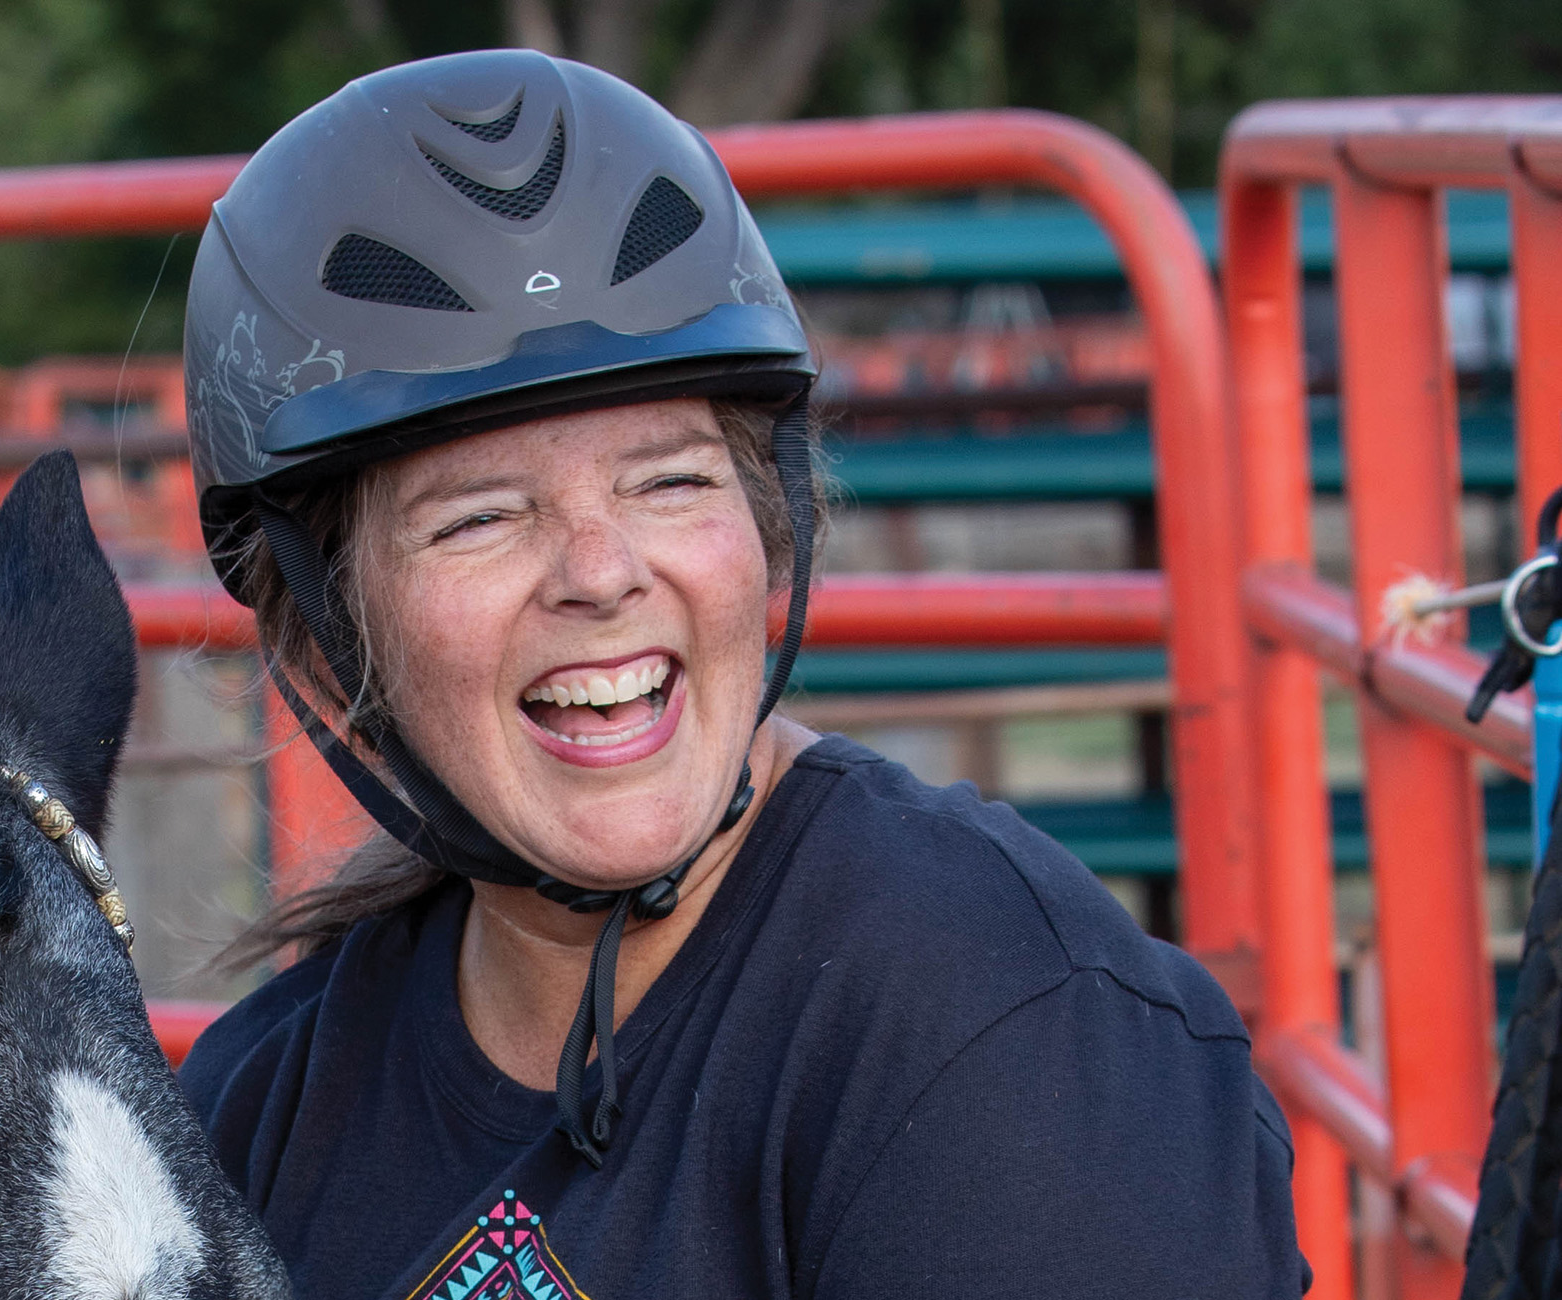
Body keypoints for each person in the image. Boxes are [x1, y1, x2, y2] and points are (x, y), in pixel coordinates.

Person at [174, 48, 1305, 1300]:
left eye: (669, 478)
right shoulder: (261, 1110)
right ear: (327, 643)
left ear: (770, 532)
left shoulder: (1012, 1043)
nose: (599, 573)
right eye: (478, 517)